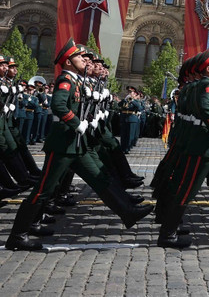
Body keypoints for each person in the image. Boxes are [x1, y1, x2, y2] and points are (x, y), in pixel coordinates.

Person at [5, 39, 153, 251]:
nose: (84, 60)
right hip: (63, 145)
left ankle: (127, 211)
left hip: (77, 144)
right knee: (43, 190)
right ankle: (18, 235)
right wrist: (77, 123)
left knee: (100, 177)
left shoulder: (77, 81)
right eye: (79, 57)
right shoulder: (65, 79)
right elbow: (58, 105)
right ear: (67, 62)